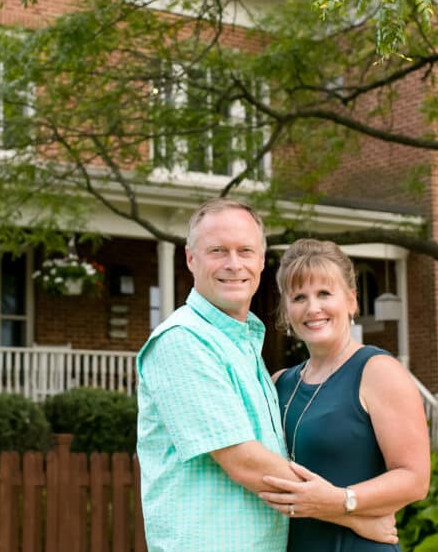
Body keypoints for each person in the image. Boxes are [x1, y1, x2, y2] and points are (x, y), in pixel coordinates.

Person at [137, 199, 398, 552]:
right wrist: (351, 513)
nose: (234, 264)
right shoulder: (183, 341)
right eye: (217, 250)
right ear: (190, 259)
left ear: (261, 261)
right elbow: (245, 463)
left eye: (245, 250)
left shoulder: (244, 345)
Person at [258, 238, 430, 550]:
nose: (313, 308)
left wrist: (341, 501)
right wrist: (352, 516)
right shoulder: (279, 382)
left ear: (351, 300)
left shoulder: (378, 371)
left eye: (325, 293)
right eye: (299, 297)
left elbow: (415, 479)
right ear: (286, 310)